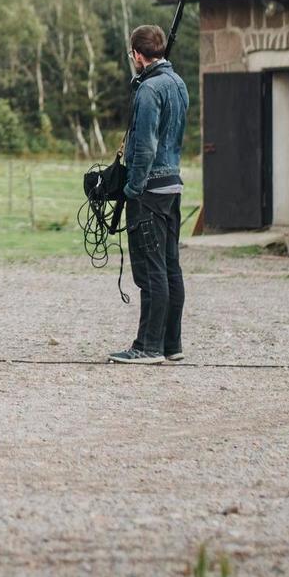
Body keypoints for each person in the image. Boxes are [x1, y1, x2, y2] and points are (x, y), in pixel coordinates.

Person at [109, 24, 189, 365]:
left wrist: (132, 188)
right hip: (172, 183)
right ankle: (172, 343)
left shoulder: (147, 91)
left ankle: (148, 346)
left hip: (150, 189)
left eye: (132, 55)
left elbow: (144, 147)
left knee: (151, 267)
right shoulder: (179, 84)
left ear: (138, 54)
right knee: (170, 265)